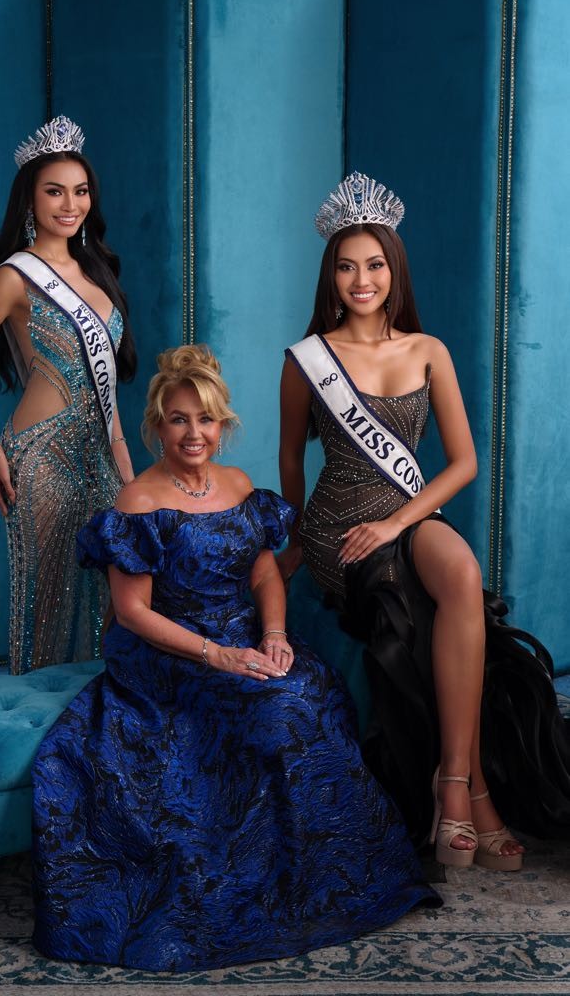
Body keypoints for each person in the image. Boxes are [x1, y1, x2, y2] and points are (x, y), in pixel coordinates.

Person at [31, 344, 439, 972]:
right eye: (178, 419)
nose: (193, 433)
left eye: (205, 419)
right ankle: (244, 881)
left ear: (223, 424)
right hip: (166, 650)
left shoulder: (240, 485)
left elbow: (265, 575)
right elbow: (133, 613)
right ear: (157, 425)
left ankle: (318, 876)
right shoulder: (137, 502)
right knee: (273, 706)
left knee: (311, 690)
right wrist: (216, 655)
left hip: (241, 635)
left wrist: (274, 634)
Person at [279, 171, 570, 866]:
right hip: (339, 527)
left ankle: (456, 782)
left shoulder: (428, 349)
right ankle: (472, 801)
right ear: (330, 276)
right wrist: (294, 542)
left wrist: (394, 524)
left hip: (404, 515)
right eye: (346, 267)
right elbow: (289, 459)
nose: (361, 280)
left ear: (394, 270)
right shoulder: (307, 359)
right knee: (406, 595)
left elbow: (462, 463)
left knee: (460, 572)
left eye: (374, 264)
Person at [0, 115, 136, 674]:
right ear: (30, 198)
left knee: (113, 600)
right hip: (41, 456)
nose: (70, 204)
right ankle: (37, 715)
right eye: (54, 191)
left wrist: (125, 465)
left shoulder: (99, 273)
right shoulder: (15, 277)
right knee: (45, 600)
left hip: (101, 455)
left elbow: (105, 388)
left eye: (80, 190)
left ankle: (93, 719)